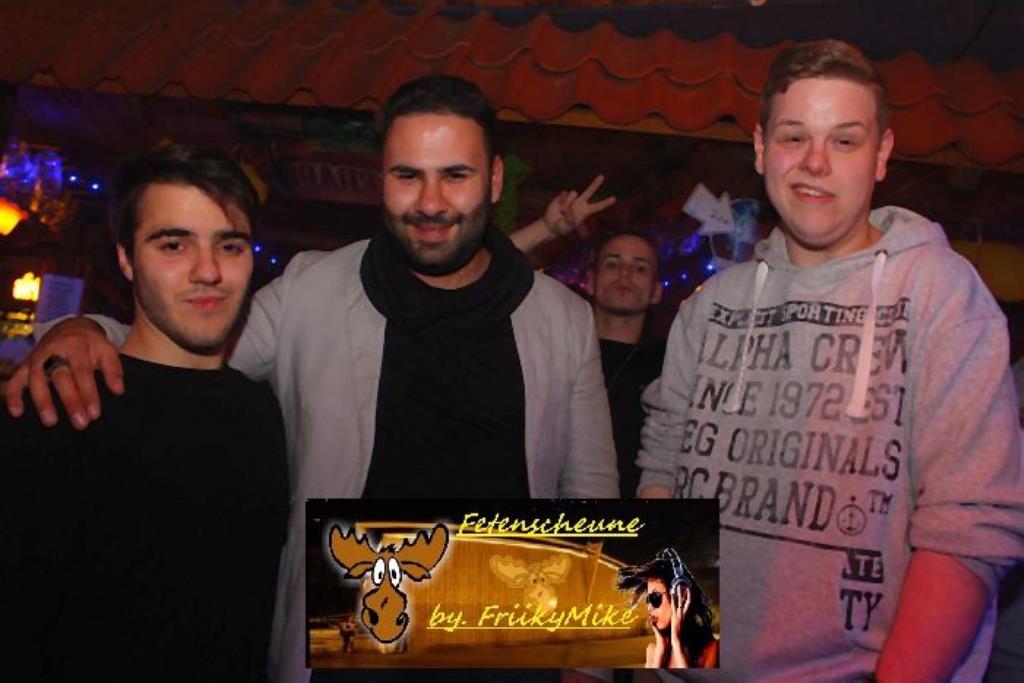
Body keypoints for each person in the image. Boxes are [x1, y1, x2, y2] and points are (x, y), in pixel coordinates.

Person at [7, 75, 618, 683]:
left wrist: (592, 662)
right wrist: (80, 329)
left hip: (510, 644)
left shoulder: (562, 318)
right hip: (343, 650)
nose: (430, 203)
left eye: (455, 175)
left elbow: (591, 491)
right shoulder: (311, 287)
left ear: (494, 180)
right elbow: (190, 341)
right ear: (382, 178)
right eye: (407, 175)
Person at [638, 39, 1024, 681]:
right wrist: (670, 654)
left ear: (882, 154)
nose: (815, 162)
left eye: (845, 141)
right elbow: (663, 472)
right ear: (761, 148)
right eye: (794, 137)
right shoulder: (714, 305)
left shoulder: (939, 291)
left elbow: (972, 524)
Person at [0, 145, 289, 682]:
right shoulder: (56, 406)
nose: (208, 271)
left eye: (229, 245)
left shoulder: (267, 415)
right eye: (174, 244)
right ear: (127, 259)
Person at [587, 231, 665, 498]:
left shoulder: (670, 367)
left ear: (656, 292)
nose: (625, 274)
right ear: (590, 282)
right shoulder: (560, 352)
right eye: (612, 264)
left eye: (640, 268)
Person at [616, 548, 719, 669]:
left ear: (681, 596)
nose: (649, 607)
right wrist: (660, 652)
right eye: (648, 600)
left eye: (655, 598)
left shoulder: (713, 650)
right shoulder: (653, 652)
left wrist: (677, 644)